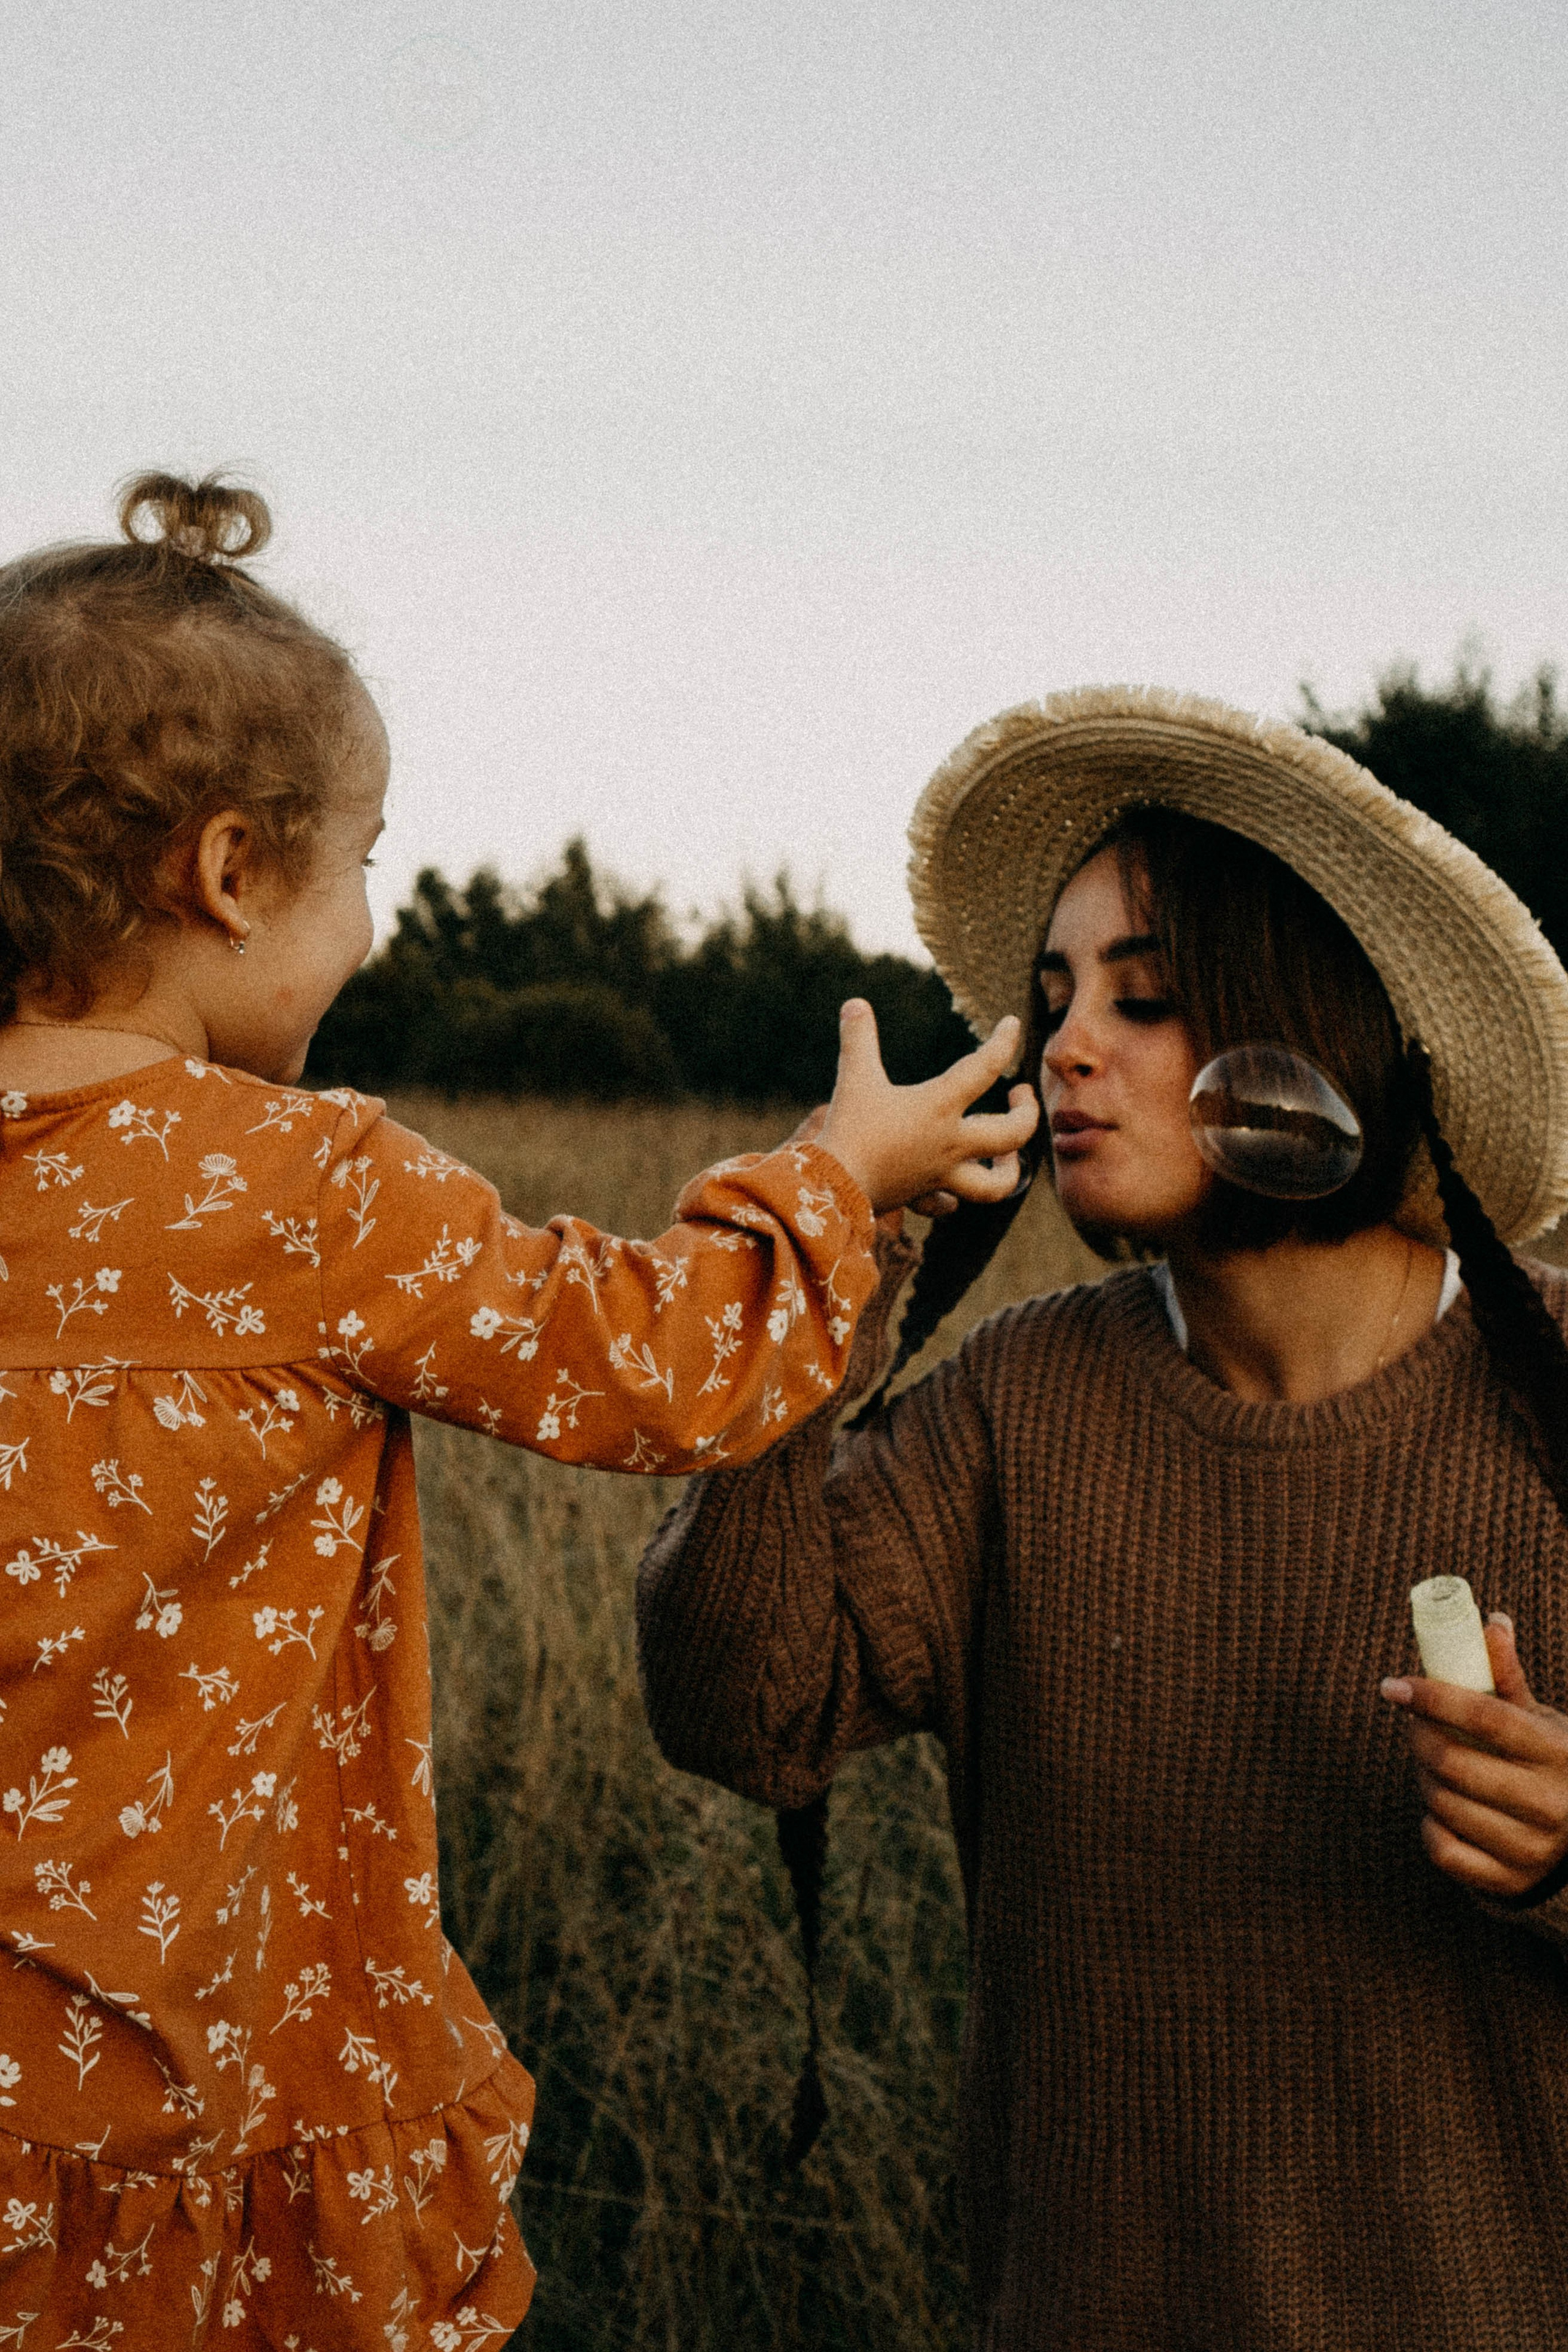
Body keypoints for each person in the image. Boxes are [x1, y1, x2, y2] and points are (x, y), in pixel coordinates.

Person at [0, 472, 1038, 2350]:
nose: (376, 920)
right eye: (365, 862)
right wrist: (842, 1178)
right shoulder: (303, 1192)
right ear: (228, 875)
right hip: (208, 2083)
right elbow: (655, 1362)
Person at [637, 685, 1568, 2351]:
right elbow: (741, 1712)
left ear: (1312, 1031)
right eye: (1054, 997)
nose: (1066, 1048)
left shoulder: (1554, 1392)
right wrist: (816, 1276)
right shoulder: (1019, 1403)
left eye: (1144, 1000)